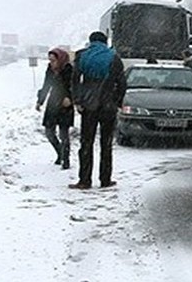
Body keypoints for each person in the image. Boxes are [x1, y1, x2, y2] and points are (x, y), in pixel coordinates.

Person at [69, 31, 126, 190]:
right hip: (108, 106)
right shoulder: (114, 57)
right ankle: (105, 179)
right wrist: (118, 102)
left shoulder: (83, 56)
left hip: (89, 105)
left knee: (86, 143)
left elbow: (75, 80)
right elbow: (122, 83)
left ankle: (84, 180)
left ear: (91, 41)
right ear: (105, 41)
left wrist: (78, 100)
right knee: (106, 144)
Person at [36, 47, 74, 169]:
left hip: (65, 105)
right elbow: (46, 85)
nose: (51, 63)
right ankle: (60, 153)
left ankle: (66, 159)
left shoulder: (69, 70)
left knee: (64, 134)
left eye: (53, 60)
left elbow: (75, 86)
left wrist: (70, 98)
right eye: (50, 60)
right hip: (53, 103)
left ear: (60, 59)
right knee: (49, 132)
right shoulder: (50, 70)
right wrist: (40, 101)